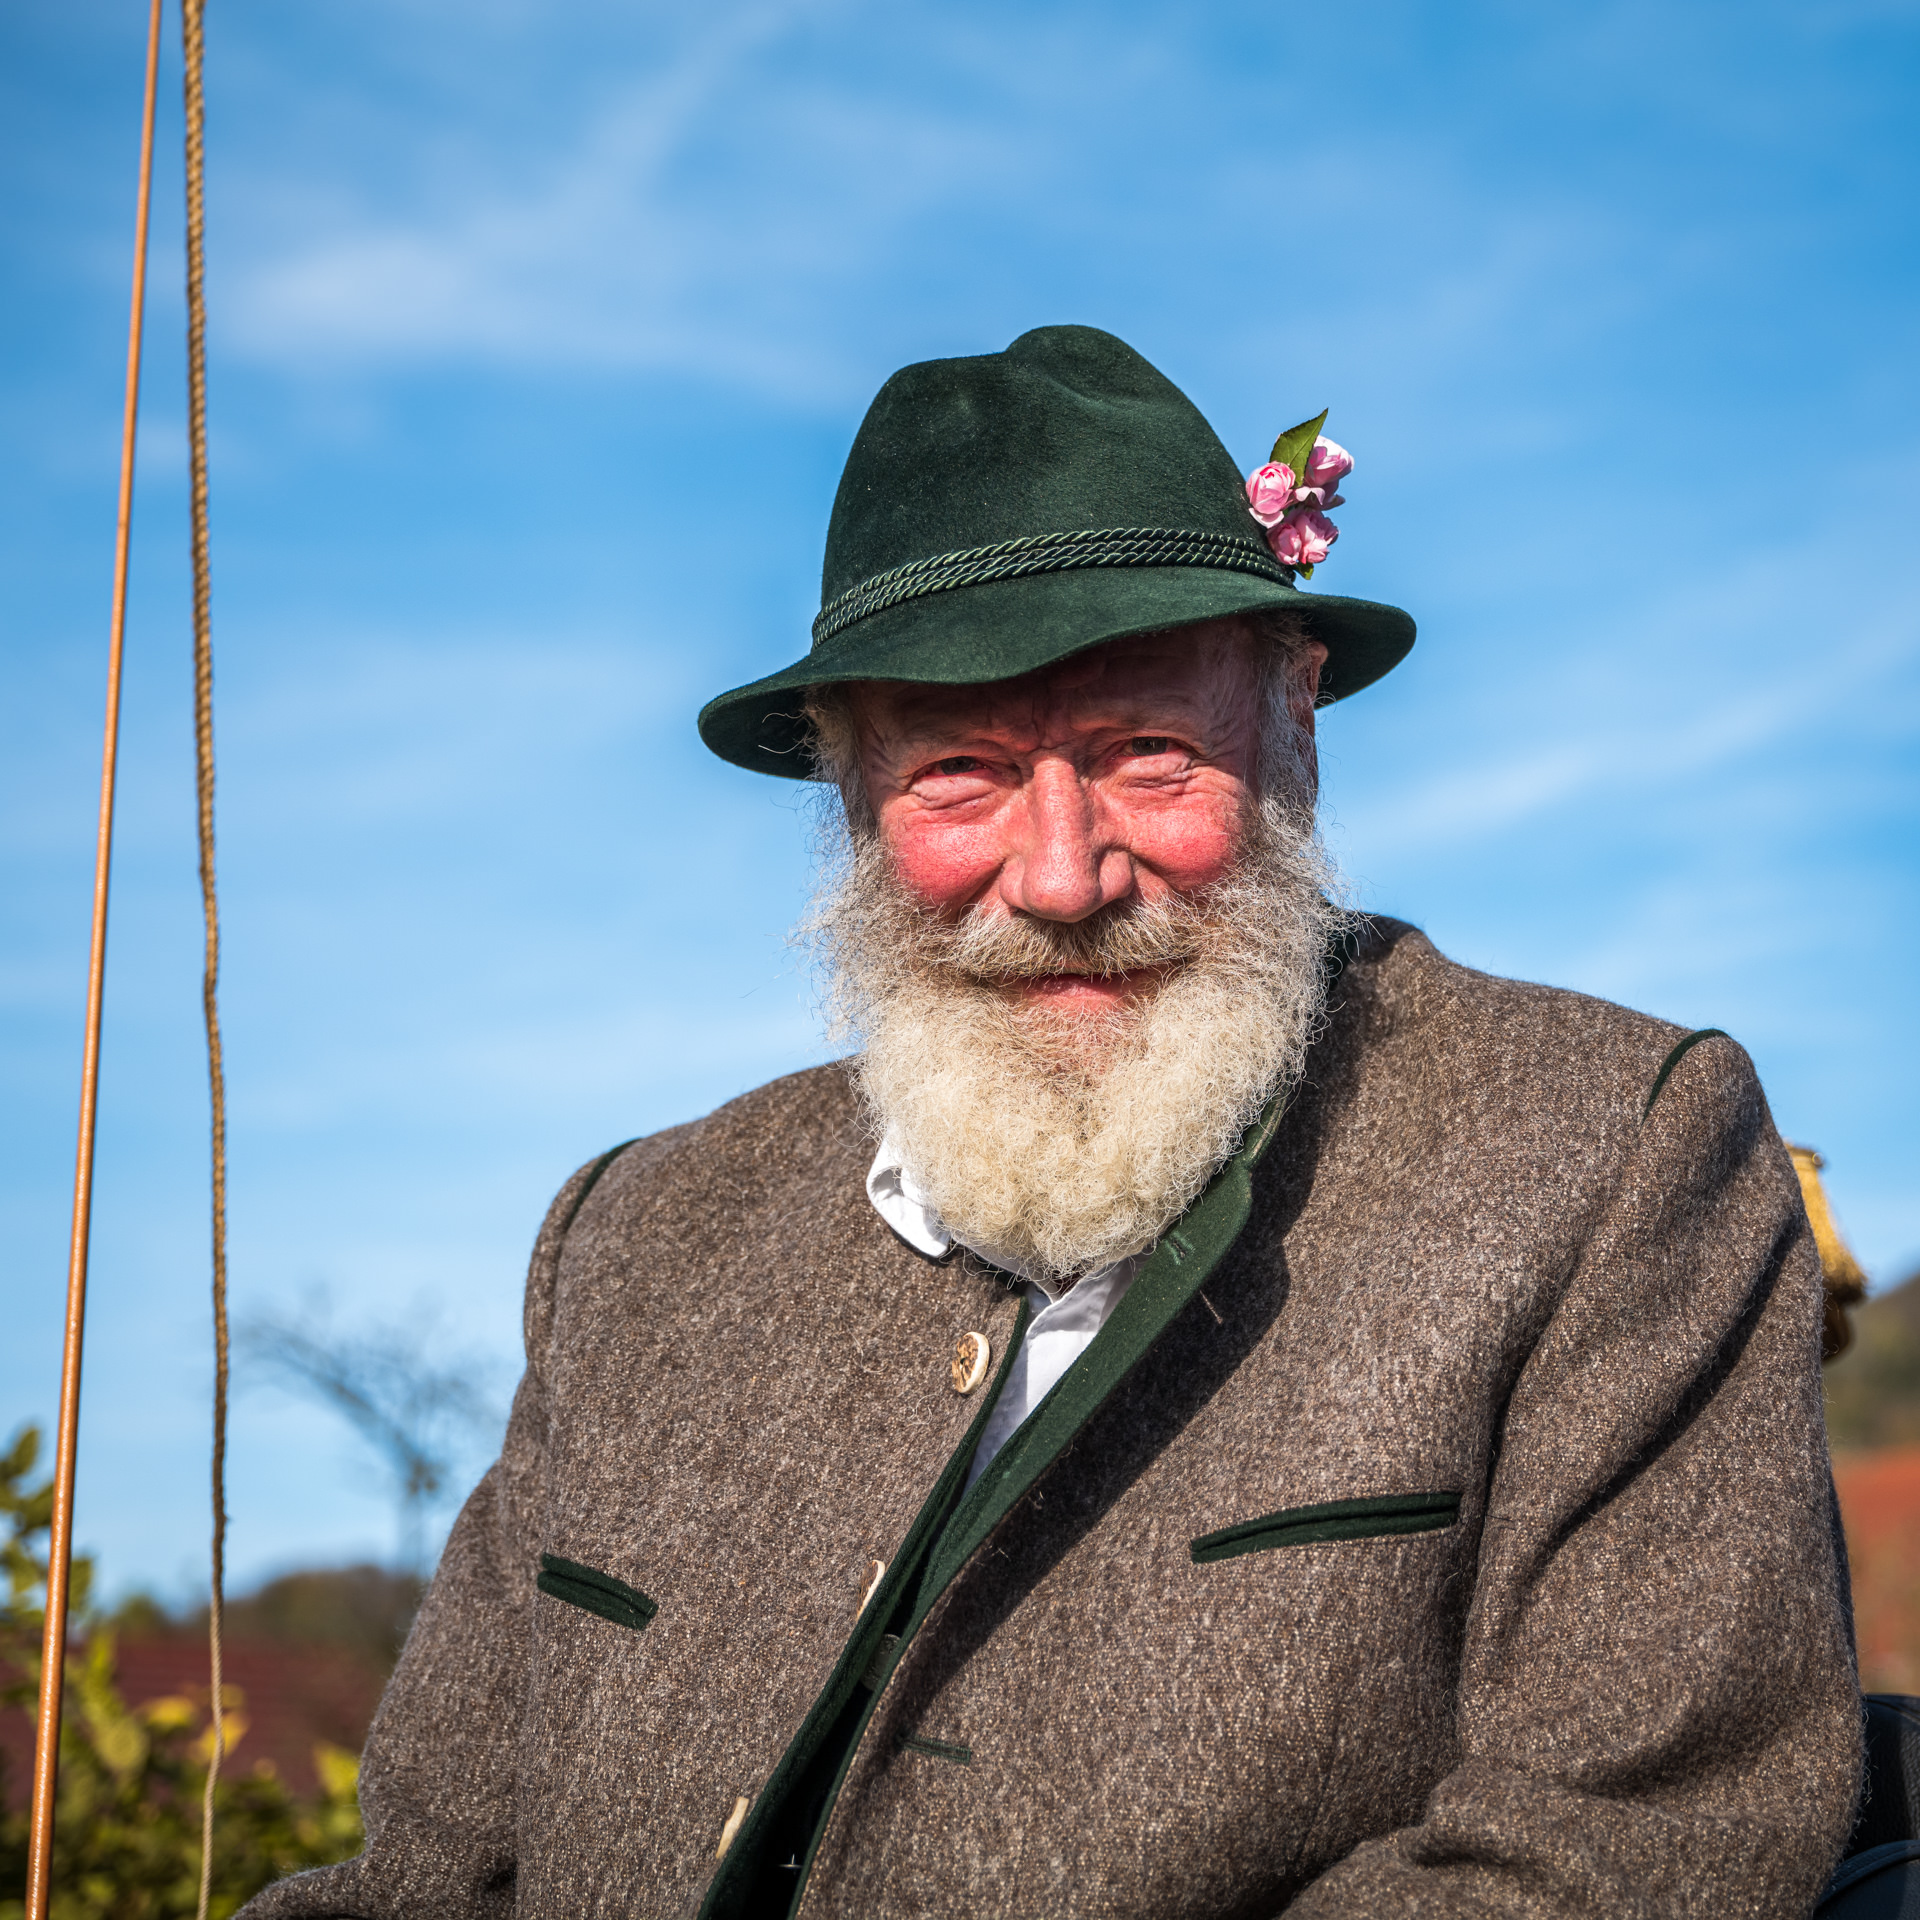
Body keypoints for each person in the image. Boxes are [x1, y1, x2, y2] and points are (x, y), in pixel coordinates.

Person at [246, 325, 1862, 1919]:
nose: (1064, 876)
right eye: (961, 773)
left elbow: (1625, 1852)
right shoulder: (635, 1242)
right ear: (848, 791)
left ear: (1295, 719)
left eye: (1149, 754)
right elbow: (425, 1884)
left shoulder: (1607, 1152)